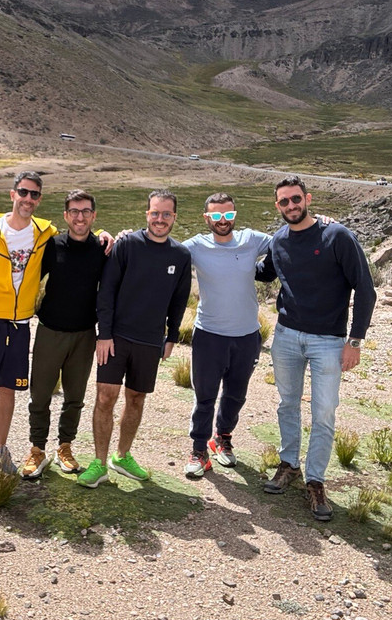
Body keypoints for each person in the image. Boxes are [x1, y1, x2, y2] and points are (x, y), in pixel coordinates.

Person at [258, 175, 376, 521]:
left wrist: (355, 341)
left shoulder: (336, 236)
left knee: (324, 412)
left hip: (328, 341)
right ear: (277, 206)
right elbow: (263, 272)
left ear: (307, 198)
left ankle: (316, 480)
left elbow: (365, 289)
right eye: (284, 202)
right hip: (286, 337)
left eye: (296, 199)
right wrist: (224, 253)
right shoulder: (279, 240)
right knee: (287, 404)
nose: (291, 206)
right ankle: (289, 464)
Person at [77, 190, 191, 489]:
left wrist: (171, 336)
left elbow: (179, 300)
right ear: (147, 214)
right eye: (155, 213)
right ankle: (99, 463)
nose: (160, 219)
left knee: (136, 399)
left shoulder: (180, 256)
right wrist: (105, 335)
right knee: (105, 397)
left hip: (150, 341)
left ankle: (122, 456)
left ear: (174, 217)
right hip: (117, 337)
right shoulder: (127, 244)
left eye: (166, 214)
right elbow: (107, 291)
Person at [181, 193, 272, 478]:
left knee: (236, 394)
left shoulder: (251, 239)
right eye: (217, 216)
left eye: (228, 215)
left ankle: (222, 438)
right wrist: (121, 237)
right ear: (206, 217)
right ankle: (199, 450)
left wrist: (321, 222)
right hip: (209, 334)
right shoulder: (196, 246)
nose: (223, 221)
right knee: (205, 396)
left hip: (247, 336)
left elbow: (289, 238)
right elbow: (159, 250)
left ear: (235, 215)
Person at [21, 189, 105, 479]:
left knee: (75, 397)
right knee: (40, 395)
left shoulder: (103, 249)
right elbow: (27, 277)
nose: (80, 217)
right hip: (50, 331)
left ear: (93, 215)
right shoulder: (51, 245)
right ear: (66, 215)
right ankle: (37, 450)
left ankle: (65, 447)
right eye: (74, 211)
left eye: (85, 211)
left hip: (84, 334)